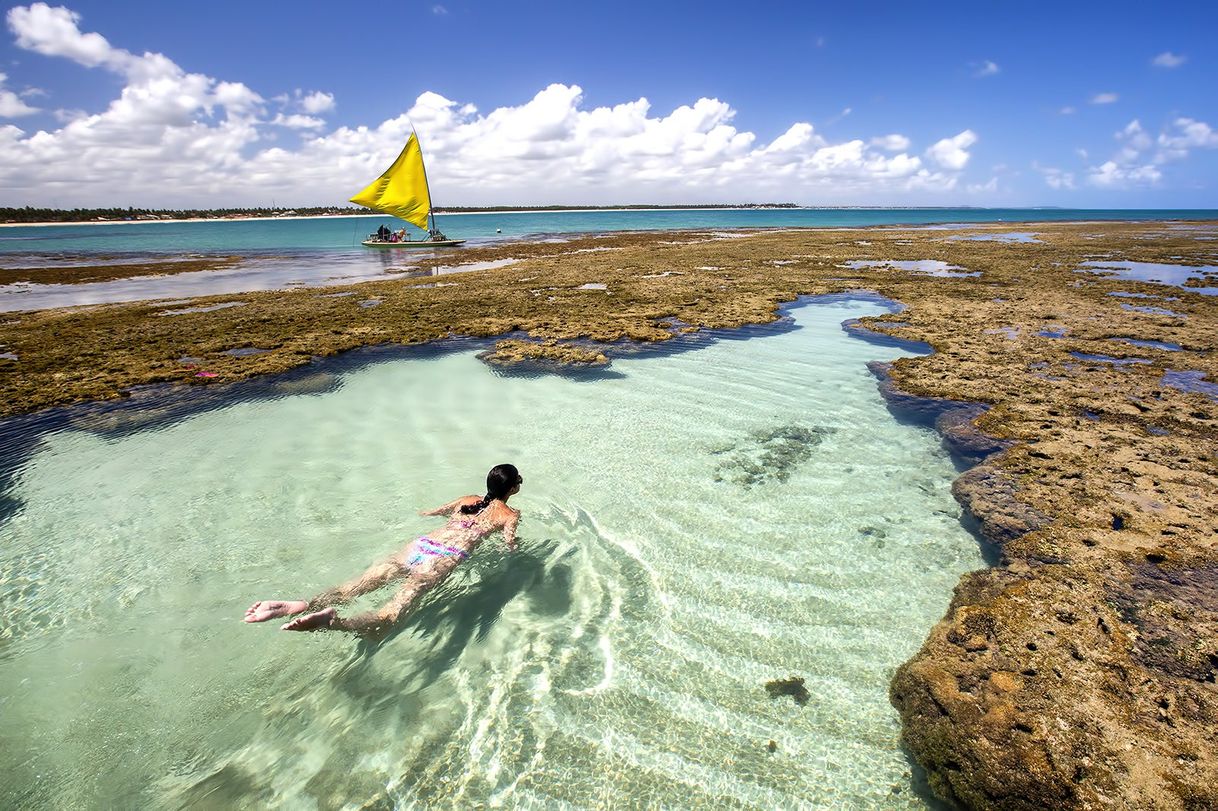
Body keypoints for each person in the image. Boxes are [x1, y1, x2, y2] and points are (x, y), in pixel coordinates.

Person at [243, 464, 523, 635]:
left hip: (420, 546)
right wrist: (515, 553)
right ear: (512, 488)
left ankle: (299, 604)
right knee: (388, 618)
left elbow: (430, 512)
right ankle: (334, 623)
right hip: (441, 560)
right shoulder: (509, 514)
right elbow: (509, 546)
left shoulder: (467, 499)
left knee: (351, 588)